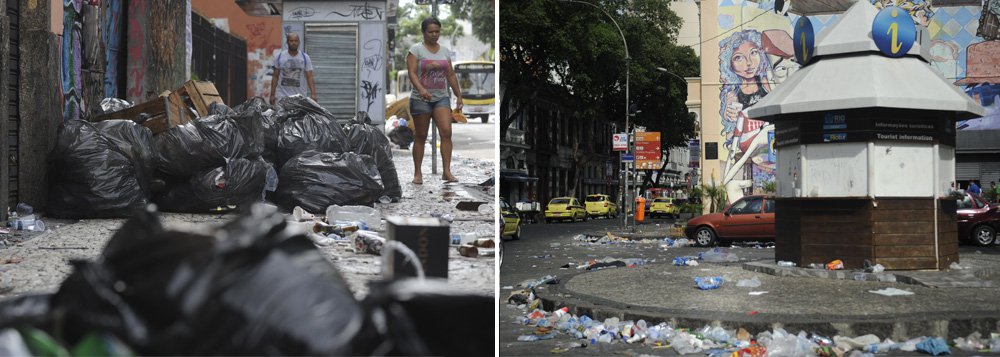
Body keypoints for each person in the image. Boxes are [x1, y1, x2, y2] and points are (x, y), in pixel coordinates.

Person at [406, 18, 463, 184]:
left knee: (446, 132)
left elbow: (450, 74)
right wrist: (421, 90)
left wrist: (458, 95)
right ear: (424, 32)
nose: (434, 34)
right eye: (430, 32)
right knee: (421, 136)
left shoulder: (444, 51)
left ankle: (446, 171)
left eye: (437, 31)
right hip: (420, 99)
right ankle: (418, 173)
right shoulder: (415, 50)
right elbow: (412, 73)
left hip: (441, 98)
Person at [269, 32, 317, 107]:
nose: (293, 43)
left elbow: (309, 76)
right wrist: (272, 94)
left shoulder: (305, 57)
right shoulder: (279, 57)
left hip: (300, 98)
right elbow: (275, 76)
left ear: (299, 42)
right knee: (281, 115)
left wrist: (313, 94)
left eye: (295, 41)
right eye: (291, 41)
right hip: (282, 97)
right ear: (287, 42)